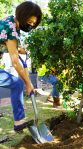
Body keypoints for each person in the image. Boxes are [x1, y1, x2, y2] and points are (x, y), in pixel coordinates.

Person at [0, 1, 42, 132]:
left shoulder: (9, 21)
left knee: (17, 83)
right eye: (29, 22)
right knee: (17, 84)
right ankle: (19, 122)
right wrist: (28, 83)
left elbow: (7, 44)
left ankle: (19, 121)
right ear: (22, 16)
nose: (31, 26)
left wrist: (18, 50)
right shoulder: (12, 29)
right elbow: (15, 62)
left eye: (33, 24)